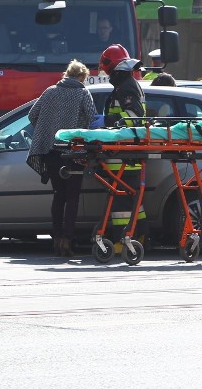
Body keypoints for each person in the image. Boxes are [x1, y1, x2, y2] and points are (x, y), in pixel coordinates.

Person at [27, 60, 96, 257]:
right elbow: (92, 118)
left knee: (58, 196)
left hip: (51, 152)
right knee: (72, 198)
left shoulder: (49, 91)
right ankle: (67, 241)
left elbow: (33, 115)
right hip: (73, 152)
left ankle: (56, 240)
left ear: (66, 74)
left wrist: (47, 128)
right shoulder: (82, 93)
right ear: (82, 77)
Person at [100, 44, 149, 242]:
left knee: (121, 203)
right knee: (132, 199)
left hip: (124, 156)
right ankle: (142, 235)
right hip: (127, 153)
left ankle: (123, 240)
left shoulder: (127, 86)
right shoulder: (126, 85)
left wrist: (106, 122)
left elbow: (134, 117)